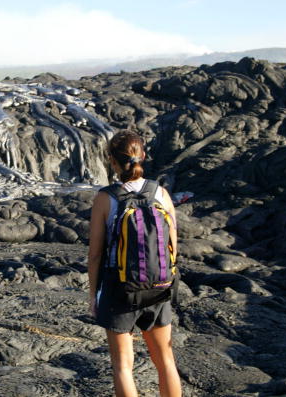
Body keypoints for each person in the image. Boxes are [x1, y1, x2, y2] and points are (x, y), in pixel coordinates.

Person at [88, 131, 181, 397]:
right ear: (143, 157)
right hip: (159, 285)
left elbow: (95, 254)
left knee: (123, 367)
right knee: (165, 359)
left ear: (112, 162)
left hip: (120, 288)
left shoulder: (106, 198)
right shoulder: (160, 193)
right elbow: (173, 244)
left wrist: (94, 296)